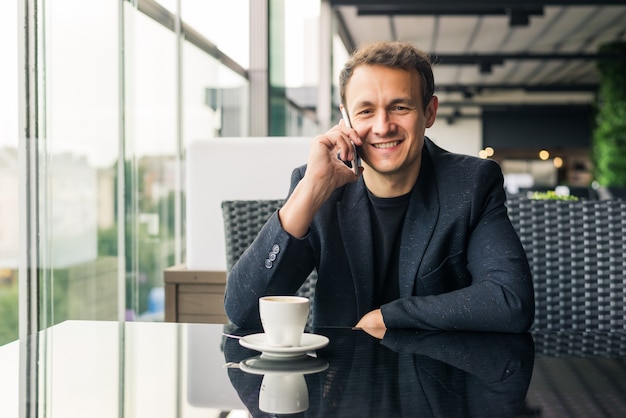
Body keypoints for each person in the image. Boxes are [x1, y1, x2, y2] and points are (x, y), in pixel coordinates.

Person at [224, 41, 534, 332]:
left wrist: (389, 316)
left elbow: (510, 300)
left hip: (437, 376)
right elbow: (244, 312)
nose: (383, 126)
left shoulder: (472, 183)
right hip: (339, 379)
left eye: (400, 107)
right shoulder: (318, 185)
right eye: (366, 110)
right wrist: (310, 189)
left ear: (429, 112)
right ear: (345, 117)